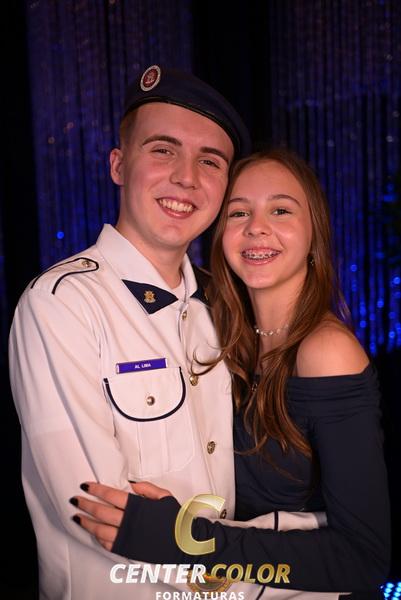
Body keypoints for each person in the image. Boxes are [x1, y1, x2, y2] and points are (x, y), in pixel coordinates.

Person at [71, 149, 391, 598]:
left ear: (314, 231)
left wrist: (186, 539)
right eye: (239, 212)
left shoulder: (325, 351)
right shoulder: (224, 334)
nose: (256, 227)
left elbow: (362, 560)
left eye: (280, 210)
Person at [9, 64, 262, 599]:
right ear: (119, 165)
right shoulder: (62, 304)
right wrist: (272, 568)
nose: (186, 178)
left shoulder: (229, 305)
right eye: (163, 150)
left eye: (209, 161)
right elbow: (100, 511)